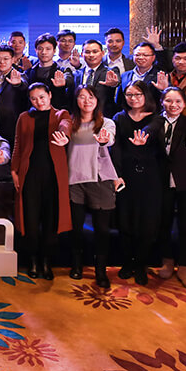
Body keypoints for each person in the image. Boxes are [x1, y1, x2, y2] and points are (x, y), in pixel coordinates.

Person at [10, 84, 73, 280]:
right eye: (34, 98)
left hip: (53, 176)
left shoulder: (61, 114)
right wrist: (14, 170)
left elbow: (66, 125)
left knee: (51, 221)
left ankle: (46, 262)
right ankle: (33, 261)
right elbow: (18, 144)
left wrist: (64, 137)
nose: (39, 101)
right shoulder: (24, 117)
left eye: (42, 97)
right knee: (30, 221)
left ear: (50, 95)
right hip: (29, 175)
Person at [111, 82, 165, 285]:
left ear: (146, 96)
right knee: (126, 221)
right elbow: (115, 149)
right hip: (126, 176)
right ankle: (128, 263)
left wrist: (144, 136)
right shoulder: (119, 118)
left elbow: (152, 129)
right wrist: (117, 174)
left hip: (150, 177)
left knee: (147, 223)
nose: (133, 98)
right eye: (129, 94)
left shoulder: (157, 118)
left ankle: (141, 264)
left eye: (138, 94)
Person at [64, 87, 119, 288]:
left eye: (91, 97)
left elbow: (109, 138)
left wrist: (105, 140)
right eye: (82, 97)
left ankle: (100, 270)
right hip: (74, 181)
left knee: (102, 230)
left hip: (100, 180)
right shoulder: (69, 122)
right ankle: (76, 265)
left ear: (97, 100)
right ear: (76, 100)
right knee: (76, 228)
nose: (86, 101)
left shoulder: (106, 123)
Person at [157, 86, 186, 289]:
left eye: (177, 101)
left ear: (184, 104)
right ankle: (167, 261)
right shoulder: (156, 121)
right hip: (162, 180)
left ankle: (184, 267)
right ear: (162, 102)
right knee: (164, 223)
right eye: (168, 100)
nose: (173, 105)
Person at [25, 34, 74, 110]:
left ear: (54, 51)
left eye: (48, 49)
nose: (44, 52)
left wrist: (64, 82)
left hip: (57, 113)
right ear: (35, 50)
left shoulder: (62, 70)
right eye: (40, 49)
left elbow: (69, 79)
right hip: (33, 113)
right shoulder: (29, 72)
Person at [115, 42, 168, 111]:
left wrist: (162, 90)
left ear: (153, 57)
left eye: (145, 55)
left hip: (152, 114)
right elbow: (119, 101)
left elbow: (167, 99)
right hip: (129, 114)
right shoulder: (125, 75)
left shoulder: (160, 76)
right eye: (137, 55)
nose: (141, 57)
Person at [74, 39, 120, 114]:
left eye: (95, 52)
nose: (91, 55)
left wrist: (114, 83)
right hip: (80, 117)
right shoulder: (76, 74)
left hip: (103, 116)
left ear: (102, 53)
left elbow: (117, 80)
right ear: (82, 54)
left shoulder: (110, 71)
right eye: (87, 52)